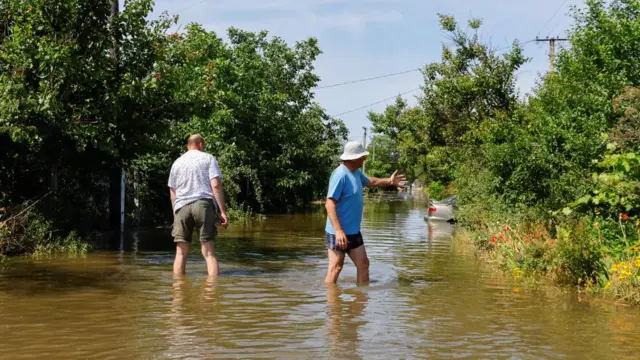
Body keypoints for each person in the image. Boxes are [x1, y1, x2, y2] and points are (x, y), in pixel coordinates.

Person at [324, 141, 406, 285]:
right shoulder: (340, 175)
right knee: (336, 268)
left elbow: (371, 182)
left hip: (353, 231)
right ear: (353, 158)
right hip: (338, 232)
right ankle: (331, 305)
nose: (364, 159)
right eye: (362, 157)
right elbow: (329, 204)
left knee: (363, 265)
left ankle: (361, 301)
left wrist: (389, 181)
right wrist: (338, 231)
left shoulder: (355, 172)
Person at [168, 134, 229, 277]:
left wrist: (175, 213)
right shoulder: (208, 158)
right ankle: (212, 292)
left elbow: (172, 191)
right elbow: (216, 185)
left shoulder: (177, 162)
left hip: (181, 207)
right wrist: (223, 212)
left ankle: (178, 292)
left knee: (181, 252)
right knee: (208, 252)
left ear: (188, 145)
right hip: (203, 204)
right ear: (200, 144)